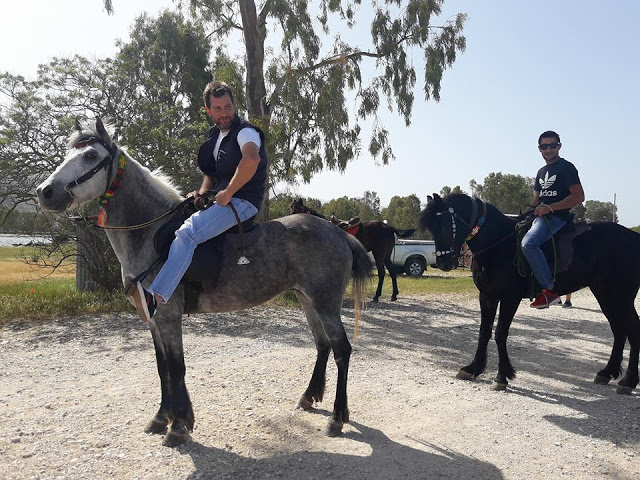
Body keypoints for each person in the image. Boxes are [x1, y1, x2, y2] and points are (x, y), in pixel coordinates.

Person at [128, 81, 268, 322]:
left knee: (188, 234)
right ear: (208, 111)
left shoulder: (245, 132)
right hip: (221, 199)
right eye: (218, 108)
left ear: (234, 105)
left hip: (243, 201)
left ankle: (156, 298)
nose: (224, 113)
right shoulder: (215, 136)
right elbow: (211, 175)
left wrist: (230, 191)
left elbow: (251, 159)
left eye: (228, 107)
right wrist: (202, 193)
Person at [522, 131, 585, 309]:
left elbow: (579, 196)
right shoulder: (541, 172)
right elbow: (536, 201)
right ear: (539, 149)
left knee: (529, 244)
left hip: (557, 217)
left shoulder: (566, 168)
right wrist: (523, 213)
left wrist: (550, 208)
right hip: (539, 215)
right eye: (544, 146)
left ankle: (549, 291)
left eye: (552, 145)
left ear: (559, 146)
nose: (548, 149)